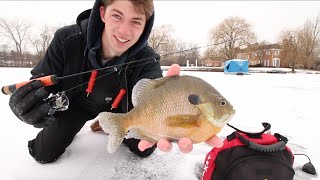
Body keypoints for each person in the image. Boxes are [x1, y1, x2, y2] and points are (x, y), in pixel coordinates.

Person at [8, 0, 222, 164]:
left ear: (145, 25)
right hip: (76, 106)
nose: (124, 31)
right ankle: (97, 122)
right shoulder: (66, 40)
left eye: (136, 21)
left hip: (122, 111)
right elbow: (41, 83)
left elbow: (154, 89)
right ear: (102, 12)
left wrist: (169, 112)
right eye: (117, 16)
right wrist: (29, 105)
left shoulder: (148, 60)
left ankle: (106, 122)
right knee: (43, 154)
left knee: (144, 149)